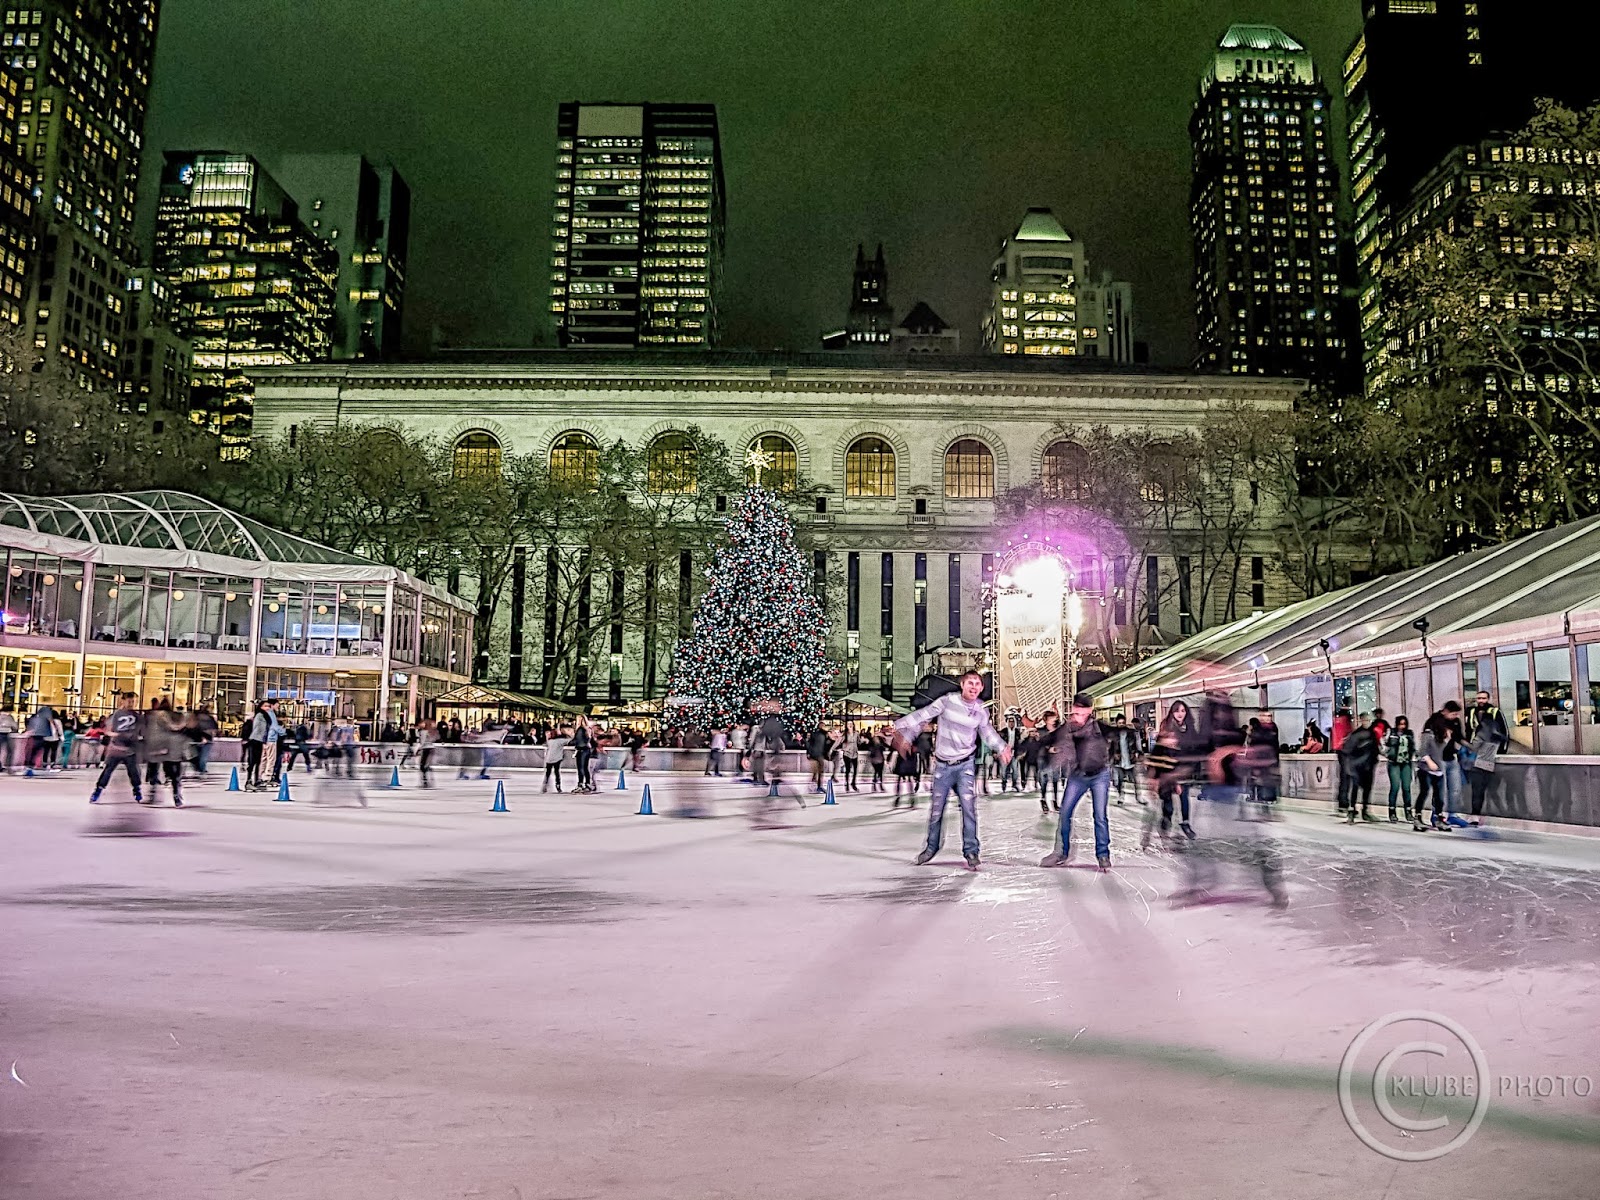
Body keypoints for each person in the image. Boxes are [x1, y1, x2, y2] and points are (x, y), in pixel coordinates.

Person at [892, 671, 1011, 870]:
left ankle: (971, 851)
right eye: (970, 683)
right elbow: (924, 715)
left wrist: (1001, 747)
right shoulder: (947, 702)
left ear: (981, 688)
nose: (973, 687)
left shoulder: (980, 710)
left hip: (965, 765)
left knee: (968, 808)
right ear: (962, 685)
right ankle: (931, 848)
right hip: (943, 766)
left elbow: (987, 731)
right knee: (937, 810)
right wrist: (901, 728)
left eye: (977, 684)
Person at [1040, 694, 1113, 870]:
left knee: (1100, 815)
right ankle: (1061, 852)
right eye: (1076, 708)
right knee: (1065, 812)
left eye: (1083, 709)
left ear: (1089, 711)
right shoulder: (1067, 728)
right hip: (1077, 776)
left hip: (1099, 775)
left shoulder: (1098, 728)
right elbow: (1056, 743)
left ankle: (1103, 855)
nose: (1079, 712)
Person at [89, 693, 146, 805]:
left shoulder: (138, 716)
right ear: (123, 701)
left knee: (134, 772)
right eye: (129, 701)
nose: (132, 704)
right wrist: (116, 735)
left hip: (130, 749)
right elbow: (108, 730)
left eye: (134, 702)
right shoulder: (116, 715)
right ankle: (98, 791)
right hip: (116, 749)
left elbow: (142, 731)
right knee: (107, 771)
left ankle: (137, 790)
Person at [1466, 691, 1508, 825]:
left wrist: (1501, 752)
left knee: (1480, 789)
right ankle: (1476, 814)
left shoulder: (1494, 712)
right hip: (1478, 757)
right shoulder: (1471, 712)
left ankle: (1476, 815)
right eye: (1479, 698)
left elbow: (1504, 731)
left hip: (1483, 757)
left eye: (1483, 698)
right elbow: (1468, 731)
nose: (1481, 700)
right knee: (1480, 789)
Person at [1423, 701, 1465, 823]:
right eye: (1453, 714)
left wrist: (1471, 748)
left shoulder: (1456, 722)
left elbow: (1460, 738)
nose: (1456, 716)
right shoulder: (1434, 721)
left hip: (1451, 758)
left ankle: (1453, 814)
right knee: (1440, 790)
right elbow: (1426, 742)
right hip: (1438, 759)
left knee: (1455, 789)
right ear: (1445, 711)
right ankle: (1436, 814)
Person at [142, 698, 188, 807]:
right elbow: (171, 727)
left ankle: (152, 796)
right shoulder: (163, 714)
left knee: (153, 772)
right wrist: (182, 725)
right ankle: (176, 796)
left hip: (154, 747)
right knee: (172, 774)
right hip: (166, 747)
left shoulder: (152, 715)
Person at [1341, 714, 1381, 823]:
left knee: (1367, 789)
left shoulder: (1371, 734)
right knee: (1355, 788)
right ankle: (1352, 809)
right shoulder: (1355, 735)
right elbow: (1348, 750)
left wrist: (1374, 760)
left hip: (1367, 765)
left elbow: (1375, 749)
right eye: (1365, 720)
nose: (1366, 722)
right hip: (1357, 766)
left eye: (1368, 720)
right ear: (1361, 720)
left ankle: (1364, 810)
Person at [1416, 717, 1452, 832]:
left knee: (1439, 796)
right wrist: (1429, 762)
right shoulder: (1428, 735)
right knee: (1424, 792)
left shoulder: (1442, 739)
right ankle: (1417, 817)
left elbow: (1442, 752)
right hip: (1425, 769)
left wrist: (1448, 739)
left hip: (1438, 770)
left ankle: (1438, 817)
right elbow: (1422, 751)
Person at [1384, 716, 1416, 824]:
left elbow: (1412, 747)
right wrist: (1387, 754)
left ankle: (1408, 811)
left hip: (1406, 762)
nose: (1402, 726)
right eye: (1400, 724)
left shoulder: (1409, 733)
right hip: (1394, 763)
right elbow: (1383, 744)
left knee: (1406, 787)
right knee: (1395, 786)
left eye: (1404, 724)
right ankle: (1392, 811)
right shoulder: (1391, 733)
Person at [1035, 711, 1066, 814]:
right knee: (1044, 780)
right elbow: (1040, 744)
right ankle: (1043, 799)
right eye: (1052, 718)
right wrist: (1048, 749)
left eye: (1055, 717)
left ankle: (1055, 801)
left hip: (1055, 757)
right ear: (1046, 720)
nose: (1054, 719)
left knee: (1055, 780)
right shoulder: (1041, 731)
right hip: (1043, 758)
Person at [1109, 714, 1141, 804]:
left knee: (1135, 780)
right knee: (1119, 781)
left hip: (1129, 761)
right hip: (1118, 761)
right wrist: (1112, 756)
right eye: (1119, 723)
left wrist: (1137, 753)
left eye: (1123, 722)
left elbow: (1135, 744)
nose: (1121, 724)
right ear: (1117, 724)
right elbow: (1110, 748)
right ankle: (1120, 797)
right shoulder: (1114, 735)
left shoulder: (1131, 733)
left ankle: (1138, 797)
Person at [542, 725, 570, 793]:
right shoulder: (560, 741)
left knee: (547, 773)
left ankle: (544, 786)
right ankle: (558, 786)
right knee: (557, 773)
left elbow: (544, 744)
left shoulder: (550, 741)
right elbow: (570, 740)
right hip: (557, 758)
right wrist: (565, 733)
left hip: (549, 759)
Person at [806, 724, 831, 794]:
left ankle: (817, 783)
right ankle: (818, 785)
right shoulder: (818, 735)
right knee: (819, 770)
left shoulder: (823, 735)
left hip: (818, 754)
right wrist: (809, 753)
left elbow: (825, 745)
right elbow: (810, 744)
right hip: (817, 754)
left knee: (819, 770)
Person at [840, 727, 859, 792]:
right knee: (848, 770)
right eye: (848, 724)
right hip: (847, 754)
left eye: (851, 724)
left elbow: (859, 742)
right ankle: (847, 783)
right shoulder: (844, 734)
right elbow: (839, 741)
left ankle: (853, 783)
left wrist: (864, 740)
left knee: (855, 770)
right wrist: (832, 749)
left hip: (855, 754)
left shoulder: (856, 733)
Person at [0, 705, 15, 773]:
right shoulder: (9, 717)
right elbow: (15, 726)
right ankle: (7, 766)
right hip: (6, 734)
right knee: (9, 751)